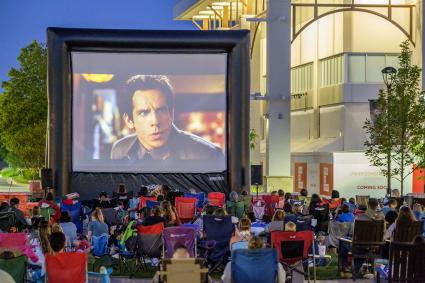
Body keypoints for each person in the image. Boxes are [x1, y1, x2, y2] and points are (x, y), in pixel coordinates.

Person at [110, 75, 224, 170]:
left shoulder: (208, 154)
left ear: (171, 114)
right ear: (129, 121)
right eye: (144, 113)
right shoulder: (119, 150)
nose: (155, 121)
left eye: (161, 110)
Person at [222, 236, 286, 283]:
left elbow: (226, 280)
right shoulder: (274, 262)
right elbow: (282, 280)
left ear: (248, 246)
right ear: (263, 247)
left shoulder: (234, 262)